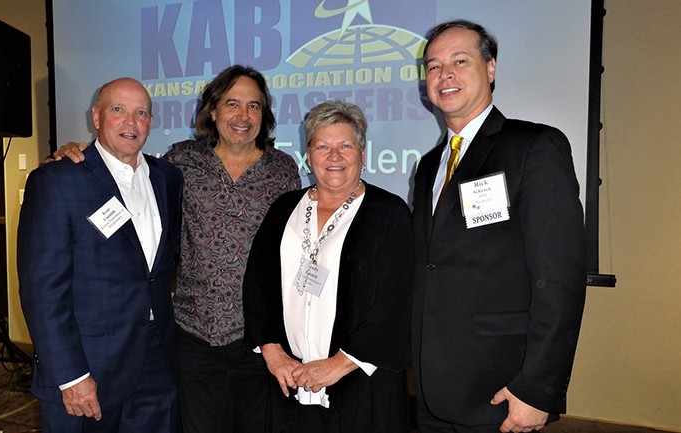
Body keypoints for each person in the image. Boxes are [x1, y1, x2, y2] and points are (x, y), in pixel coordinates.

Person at [54, 65, 301, 433]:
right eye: (232, 103)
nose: (243, 116)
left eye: (254, 106)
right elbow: (124, 172)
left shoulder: (283, 171)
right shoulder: (181, 163)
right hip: (192, 337)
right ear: (213, 110)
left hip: (259, 337)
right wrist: (77, 154)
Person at [411, 20, 586, 433]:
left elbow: (559, 279)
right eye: (433, 67)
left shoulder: (534, 147)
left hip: (502, 392)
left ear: (491, 68)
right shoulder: (427, 168)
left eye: (460, 61)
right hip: (432, 391)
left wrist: (538, 388)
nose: (444, 75)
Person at [17, 77, 183, 432]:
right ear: (96, 116)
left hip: (157, 359)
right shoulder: (58, 180)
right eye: (118, 110)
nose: (131, 122)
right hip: (87, 368)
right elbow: (42, 290)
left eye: (141, 113)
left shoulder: (167, 177)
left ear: (151, 122)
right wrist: (70, 375)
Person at [243, 100, 413, 433]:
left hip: (361, 387)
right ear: (309, 155)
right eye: (322, 146)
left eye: (345, 146)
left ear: (363, 154)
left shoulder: (388, 214)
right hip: (289, 382)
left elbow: (396, 302)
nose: (333, 156)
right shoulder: (284, 208)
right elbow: (258, 282)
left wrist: (337, 365)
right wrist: (273, 351)